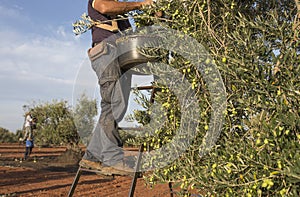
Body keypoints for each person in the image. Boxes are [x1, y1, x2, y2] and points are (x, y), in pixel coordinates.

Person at [79, 0, 153, 176]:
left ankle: (92, 156)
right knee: (114, 103)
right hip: (106, 52)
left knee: (113, 105)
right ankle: (112, 159)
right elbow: (104, 7)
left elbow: (131, 35)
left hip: (120, 55)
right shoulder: (100, 2)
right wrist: (140, 5)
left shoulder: (122, 12)